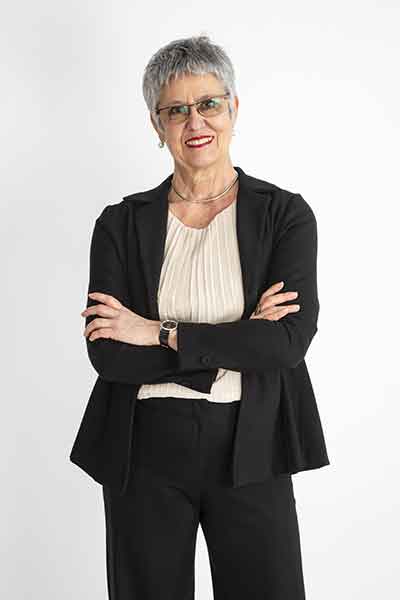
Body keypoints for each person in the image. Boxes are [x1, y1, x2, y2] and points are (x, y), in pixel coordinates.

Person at [70, 34, 330, 599]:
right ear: (156, 124)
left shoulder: (284, 216)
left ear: (233, 108)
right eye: (176, 110)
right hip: (143, 448)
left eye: (209, 103)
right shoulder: (120, 224)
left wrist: (155, 331)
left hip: (252, 443)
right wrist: (236, 341)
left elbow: (285, 344)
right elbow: (108, 353)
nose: (195, 121)